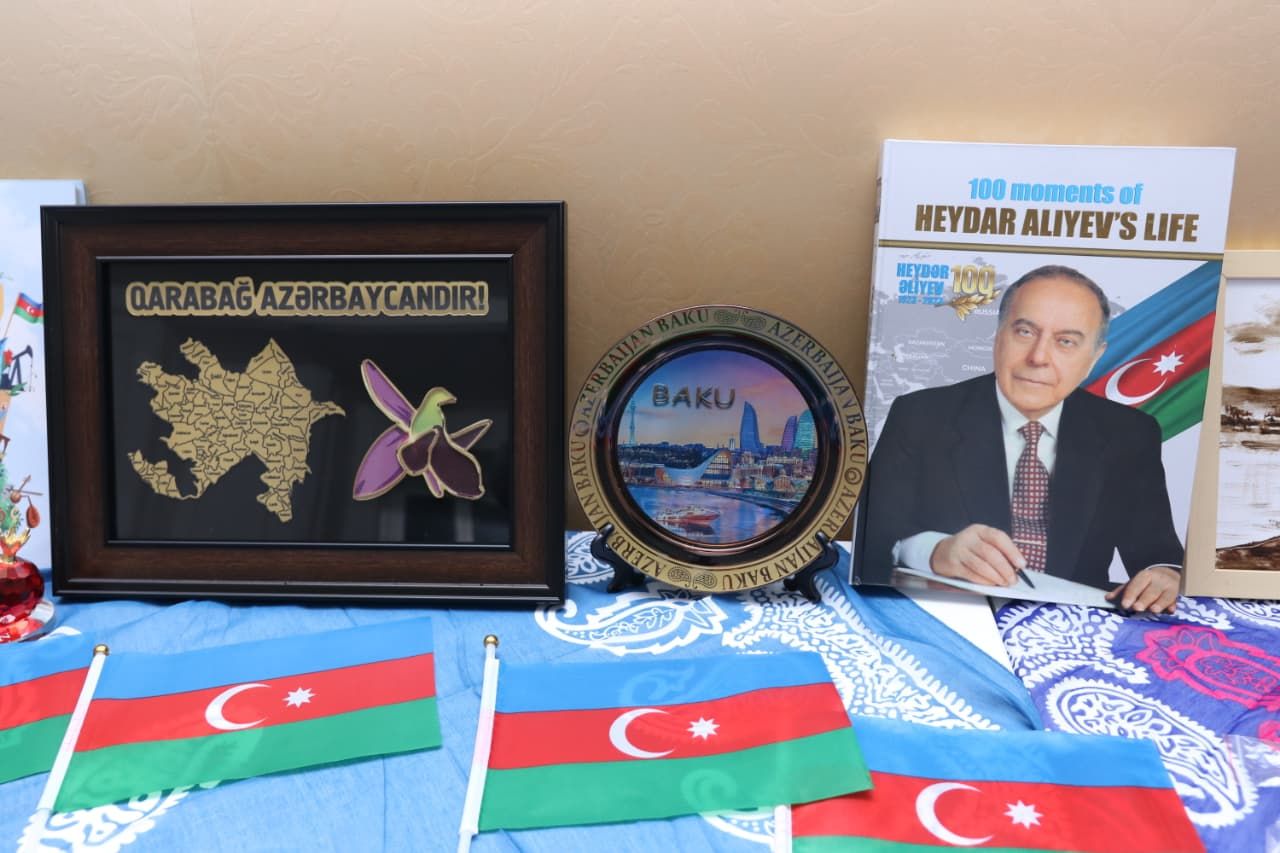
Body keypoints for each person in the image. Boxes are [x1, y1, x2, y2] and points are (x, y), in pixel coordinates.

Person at [860, 264, 1183, 614]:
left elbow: (1159, 556)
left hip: (1073, 623)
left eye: (1066, 342)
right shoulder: (919, 416)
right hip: (954, 615)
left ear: (1094, 358)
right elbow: (871, 541)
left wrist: (1165, 575)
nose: (1038, 357)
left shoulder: (1130, 433)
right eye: (1025, 332)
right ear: (998, 335)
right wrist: (935, 551)